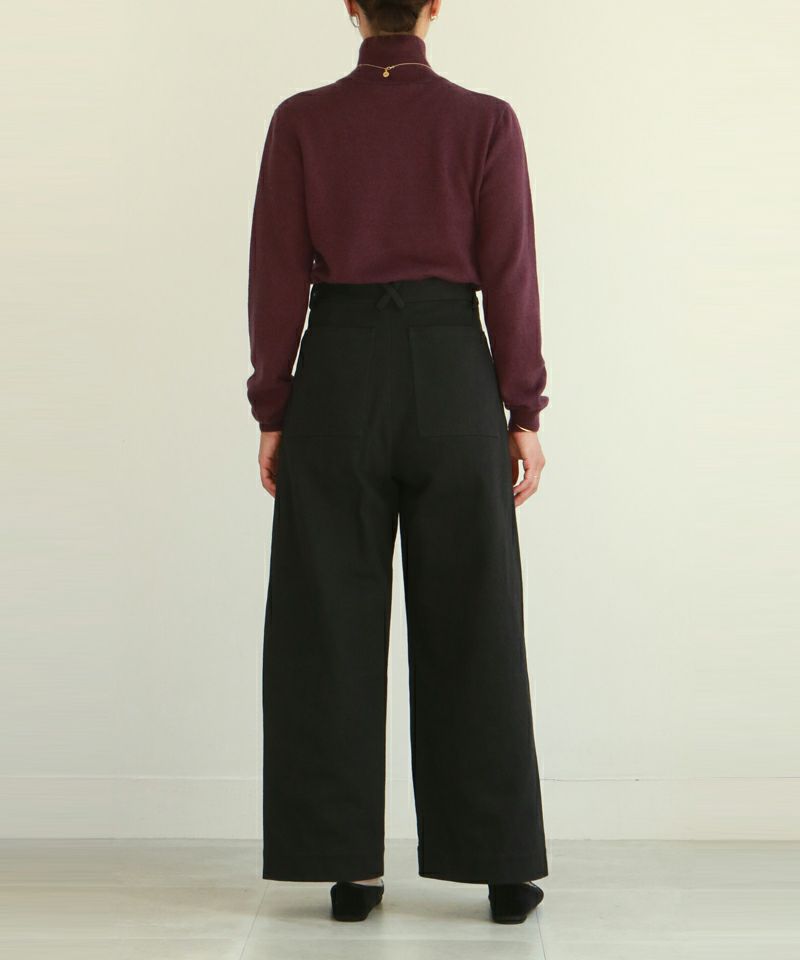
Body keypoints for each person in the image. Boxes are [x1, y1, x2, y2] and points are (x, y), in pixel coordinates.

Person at [246, 0, 549, 925]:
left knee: (326, 623)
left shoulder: (302, 120)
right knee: (475, 617)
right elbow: (510, 270)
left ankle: (347, 869)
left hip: (337, 375)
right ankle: (501, 870)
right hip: (453, 371)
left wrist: (273, 406)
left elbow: (275, 271)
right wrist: (523, 409)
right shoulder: (483, 121)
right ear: (433, 7)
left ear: (350, 7)